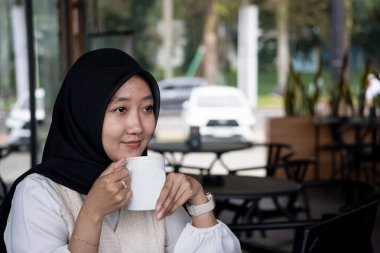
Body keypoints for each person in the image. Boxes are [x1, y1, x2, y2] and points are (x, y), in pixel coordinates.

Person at [0, 48, 241, 253]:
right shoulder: (39, 193)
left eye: (147, 108)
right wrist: (93, 211)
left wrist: (198, 199)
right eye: (120, 109)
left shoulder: (151, 185)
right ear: (85, 114)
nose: (138, 126)